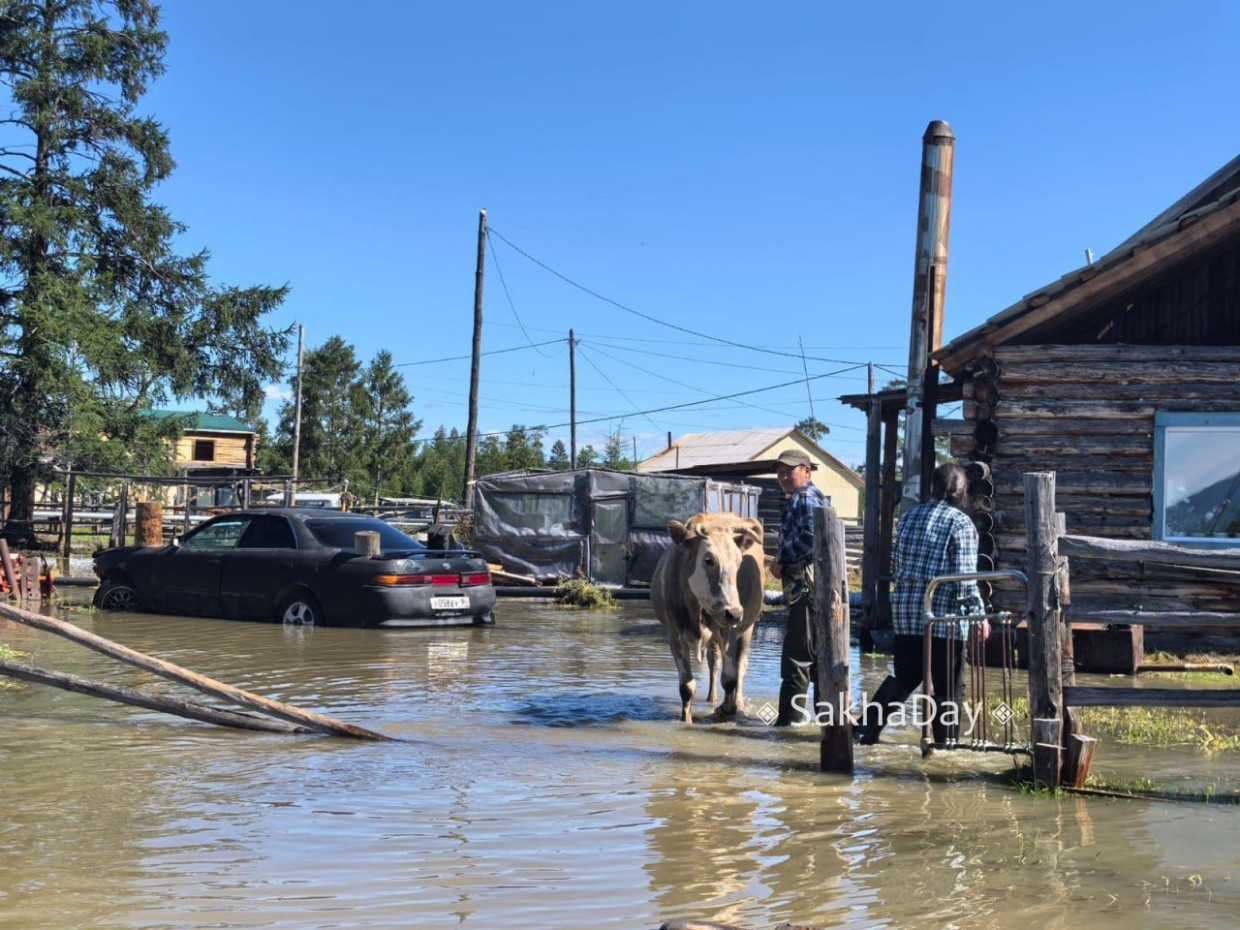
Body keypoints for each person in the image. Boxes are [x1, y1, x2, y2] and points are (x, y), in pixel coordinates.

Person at [855, 462, 986, 746]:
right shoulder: (961, 523)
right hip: (943, 619)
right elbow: (963, 579)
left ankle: (864, 730)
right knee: (947, 687)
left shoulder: (909, 518)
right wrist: (978, 614)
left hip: (906, 612)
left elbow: (898, 566)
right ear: (961, 491)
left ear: (932, 488)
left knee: (905, 676)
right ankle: (944, 747)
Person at [769, 448, 827, 726]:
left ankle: (788, 728)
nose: (783, 475)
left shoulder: (804, 497)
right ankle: (827, 723)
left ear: (807, 471)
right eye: (780, 470)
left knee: (797, 659)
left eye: (789, 470)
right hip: (811, 590)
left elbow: (809, 538)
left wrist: (781, 557)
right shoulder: (804, 497)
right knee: (816, 659)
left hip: (805, 588)